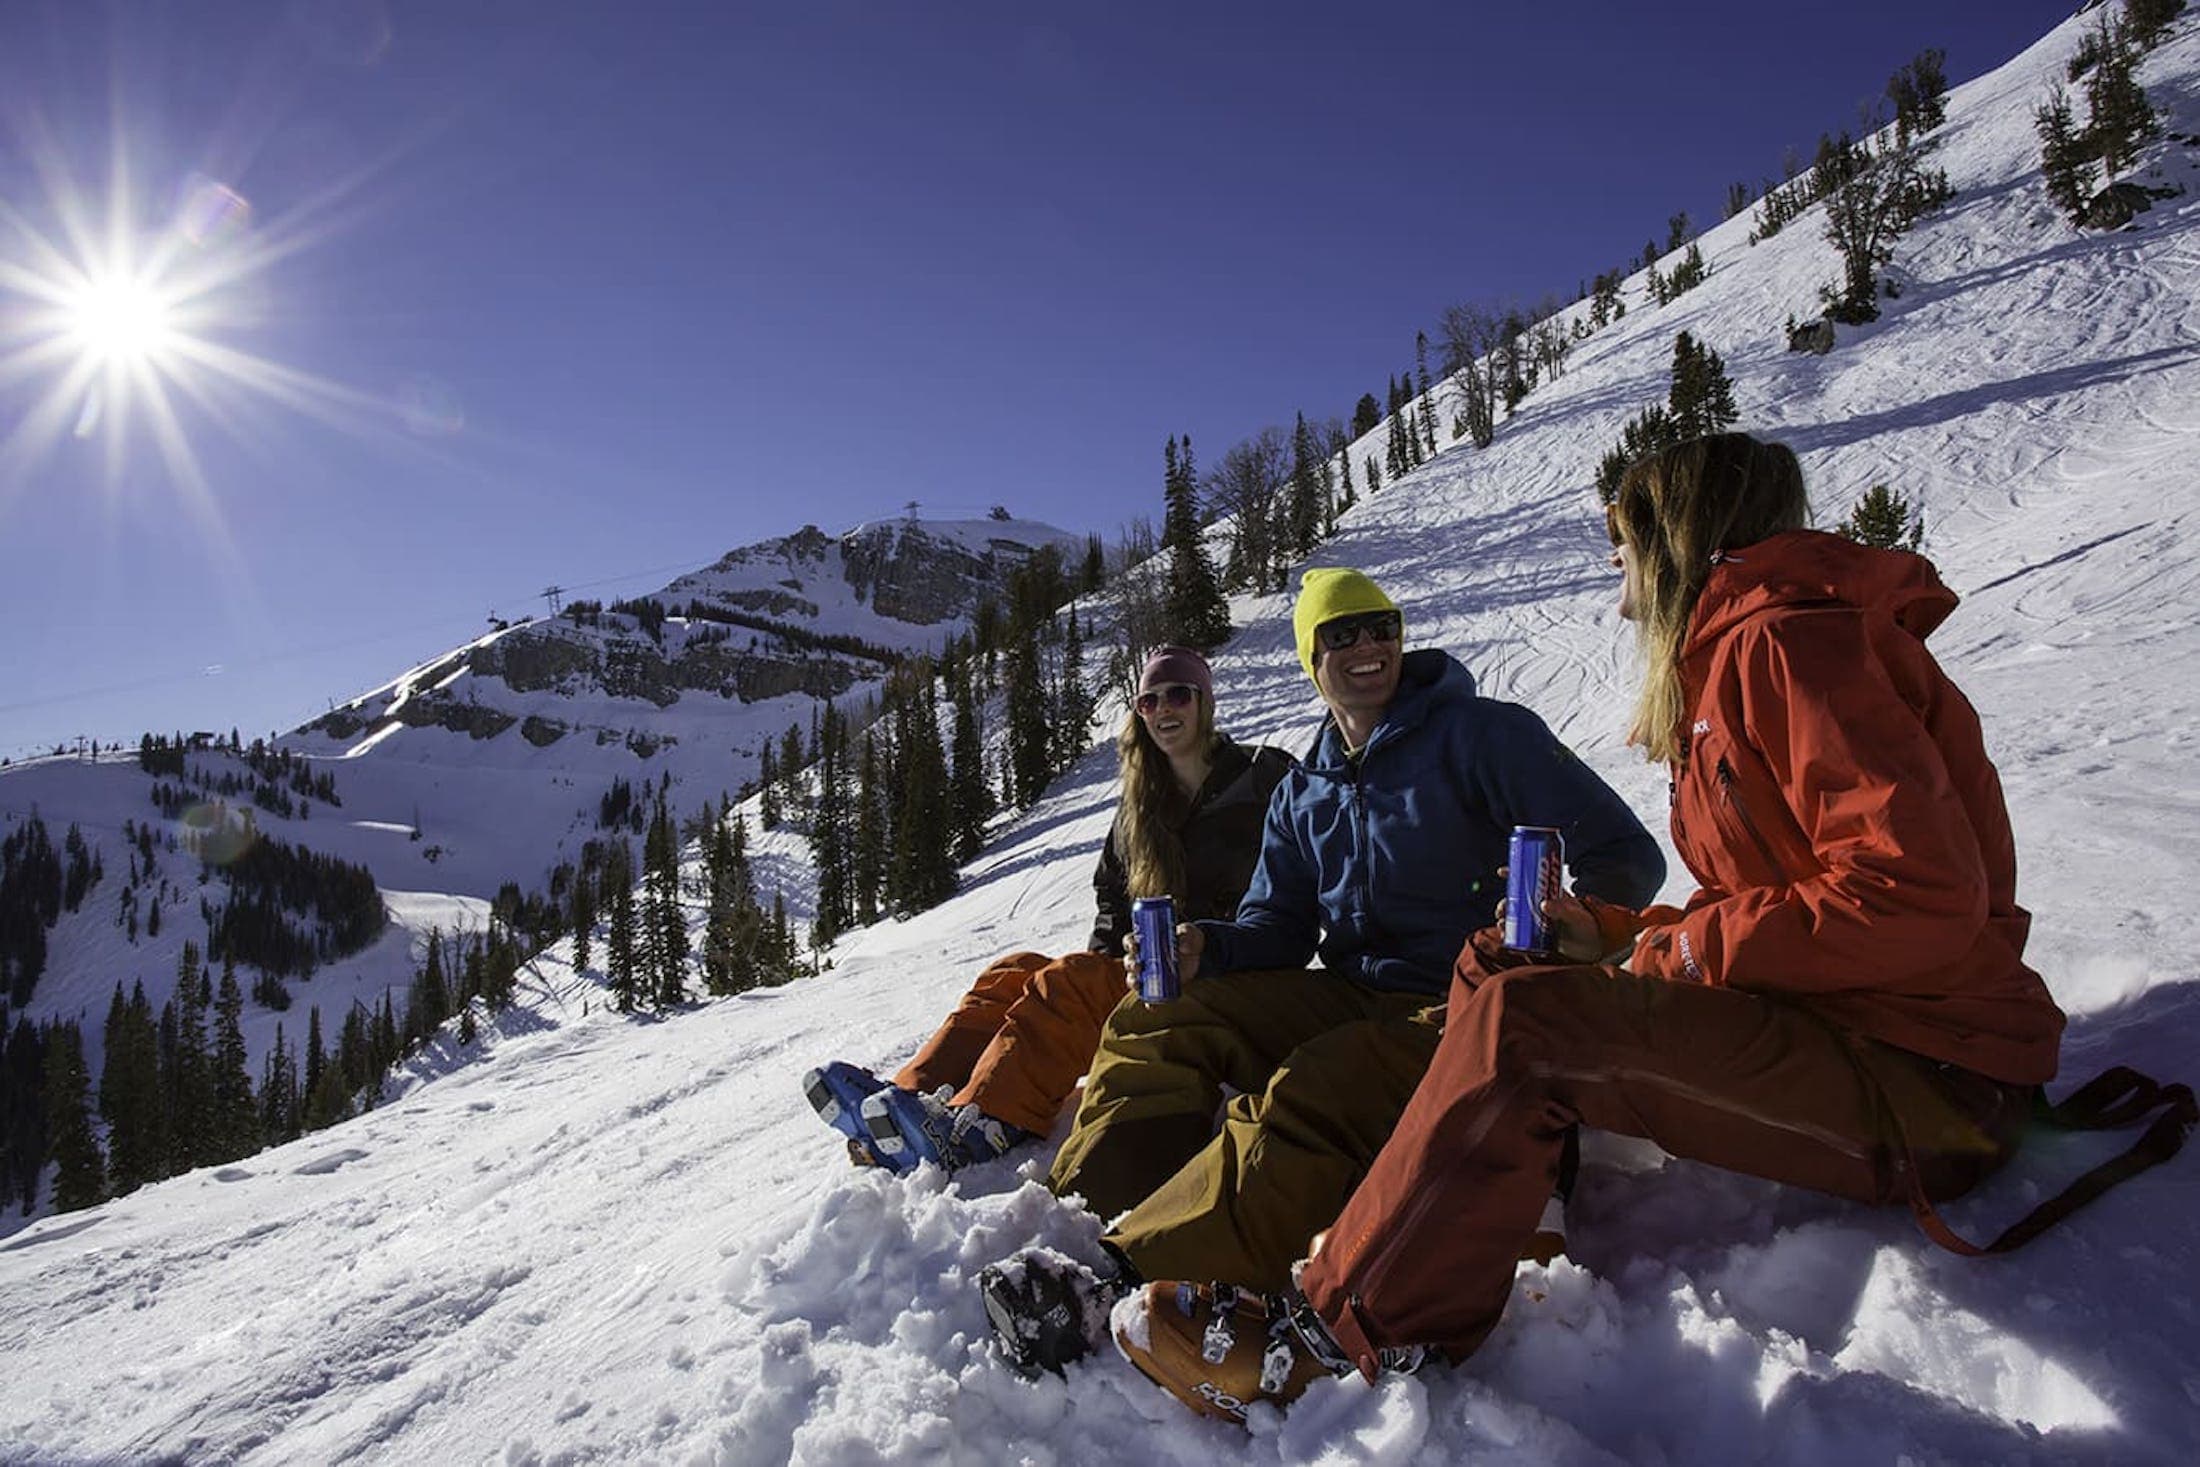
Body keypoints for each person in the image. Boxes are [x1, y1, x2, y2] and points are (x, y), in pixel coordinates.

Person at [1113, 432, 2073, 1423]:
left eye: (1619, 538)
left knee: (1527, 1030)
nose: (1611, 566)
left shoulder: (1784, 645)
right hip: (1847, 1022)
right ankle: (1499, 1221)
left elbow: (1910, 896)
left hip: (1924, 1072)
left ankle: (1335, 1334)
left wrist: (1680, 948)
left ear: (1675, 538)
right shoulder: (1745, 650)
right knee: (1502, 967)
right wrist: (1615, 933)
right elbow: (1791, 892)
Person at [979, 567, 1666, 1376]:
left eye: (1382, 627)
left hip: (1468, 1003)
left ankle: (1119, 1274)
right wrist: (1208, 946)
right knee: (1157, 1016)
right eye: (1342, 634)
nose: (1368, 646)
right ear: (1312, 655)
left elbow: (1628, 857)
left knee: (1321, 1079)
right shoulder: (1305, 787)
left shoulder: (1483, 735)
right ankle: (1067, 1223)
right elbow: (1278, 927)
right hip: (1355, 992)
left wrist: (1579, 927)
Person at [804, 645, 1294, 1175]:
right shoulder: (1143, 805)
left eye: (1178, 694)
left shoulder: (1262, 777)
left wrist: (1212, 946)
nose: (1164, 709)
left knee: (1073, 980)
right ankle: (901, 1108)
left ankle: (984, 1121)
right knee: (1013, 972)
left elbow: (1296, 884)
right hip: (1156, 976)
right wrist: (1106, 963)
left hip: (1233, 977)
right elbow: (1112, 895)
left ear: (1205, 701)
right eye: (1149, 700)